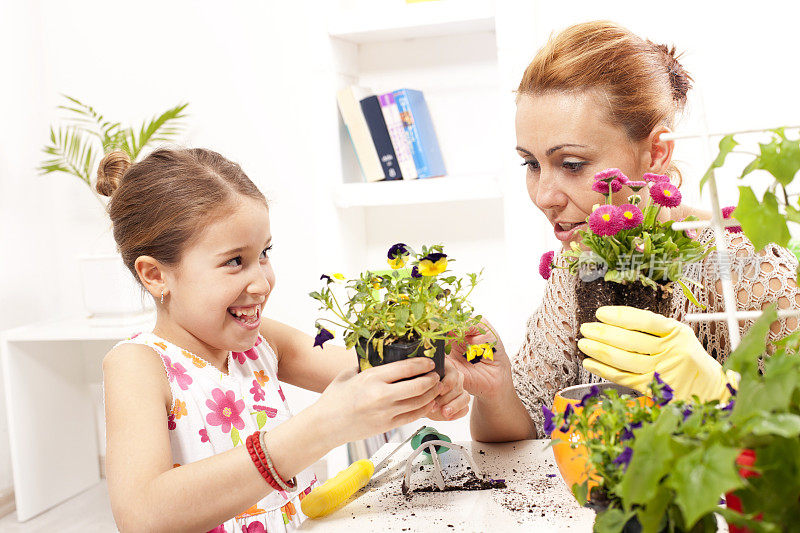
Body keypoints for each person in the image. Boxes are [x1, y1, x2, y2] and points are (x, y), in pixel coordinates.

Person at [447, 21, 800, 442]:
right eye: (532, 164)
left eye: (572, 165)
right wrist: (497, 389)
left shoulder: (745, 266)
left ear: (656, 153)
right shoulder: (581, 264)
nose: (544, 196)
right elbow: (520, 436)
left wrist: (719, 393)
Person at [99, 148, 469, 532]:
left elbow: (365, 375)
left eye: (264, 254)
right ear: (156, 275)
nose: (262, 282)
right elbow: (142, 515)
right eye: (233, 262)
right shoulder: (138, 365)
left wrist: (426, 383)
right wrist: (325, 425)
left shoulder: (261, 342)